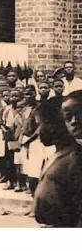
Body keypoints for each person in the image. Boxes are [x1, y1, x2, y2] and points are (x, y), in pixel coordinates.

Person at [34, 91, 82, 227]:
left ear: (57, 124)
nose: (39, 131)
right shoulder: (58, 155)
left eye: (42, 124)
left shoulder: (74, 158)